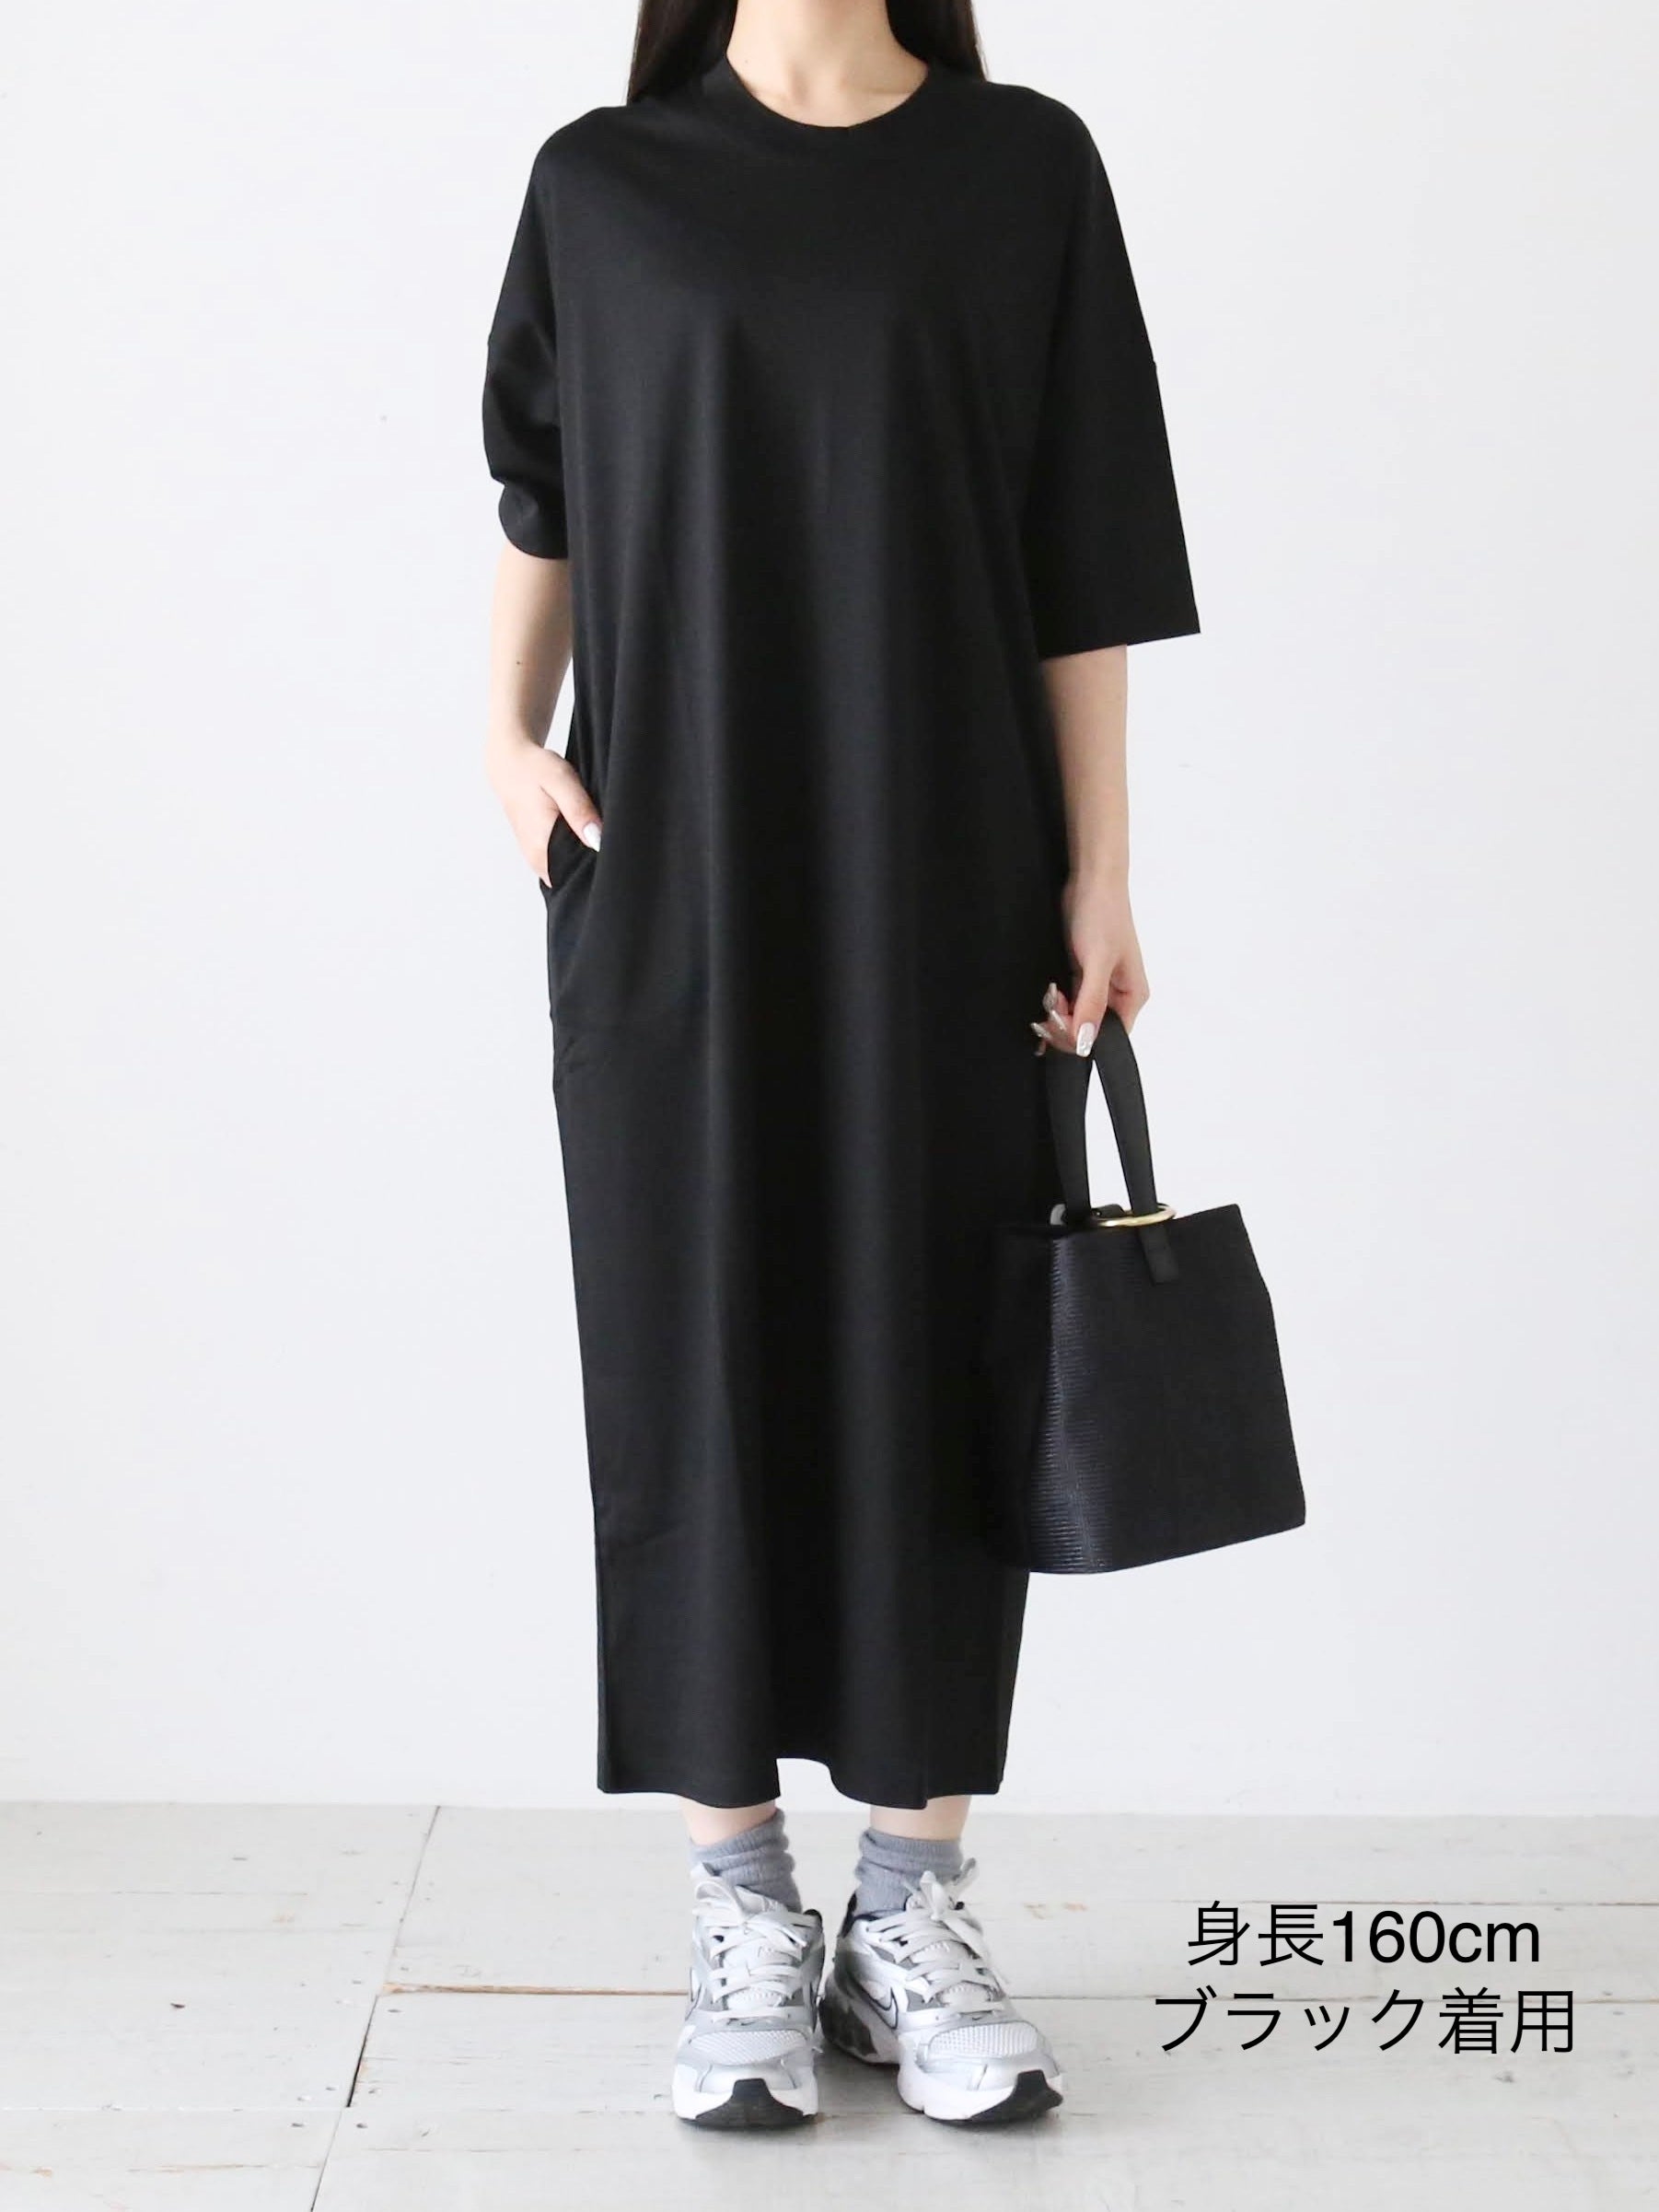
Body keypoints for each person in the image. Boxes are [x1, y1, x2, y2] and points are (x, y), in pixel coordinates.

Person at [480, 0, 1200, 2131]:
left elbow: (1085, 541)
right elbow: (542, 488)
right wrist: (498, 737)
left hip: (950, 871)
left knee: (932, 1358)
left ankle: (909, 1904)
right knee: (685, 1353)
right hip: (674, 878)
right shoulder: (602, 185)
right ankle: (740, 1907)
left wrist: (1099, 869)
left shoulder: (1021, 168)